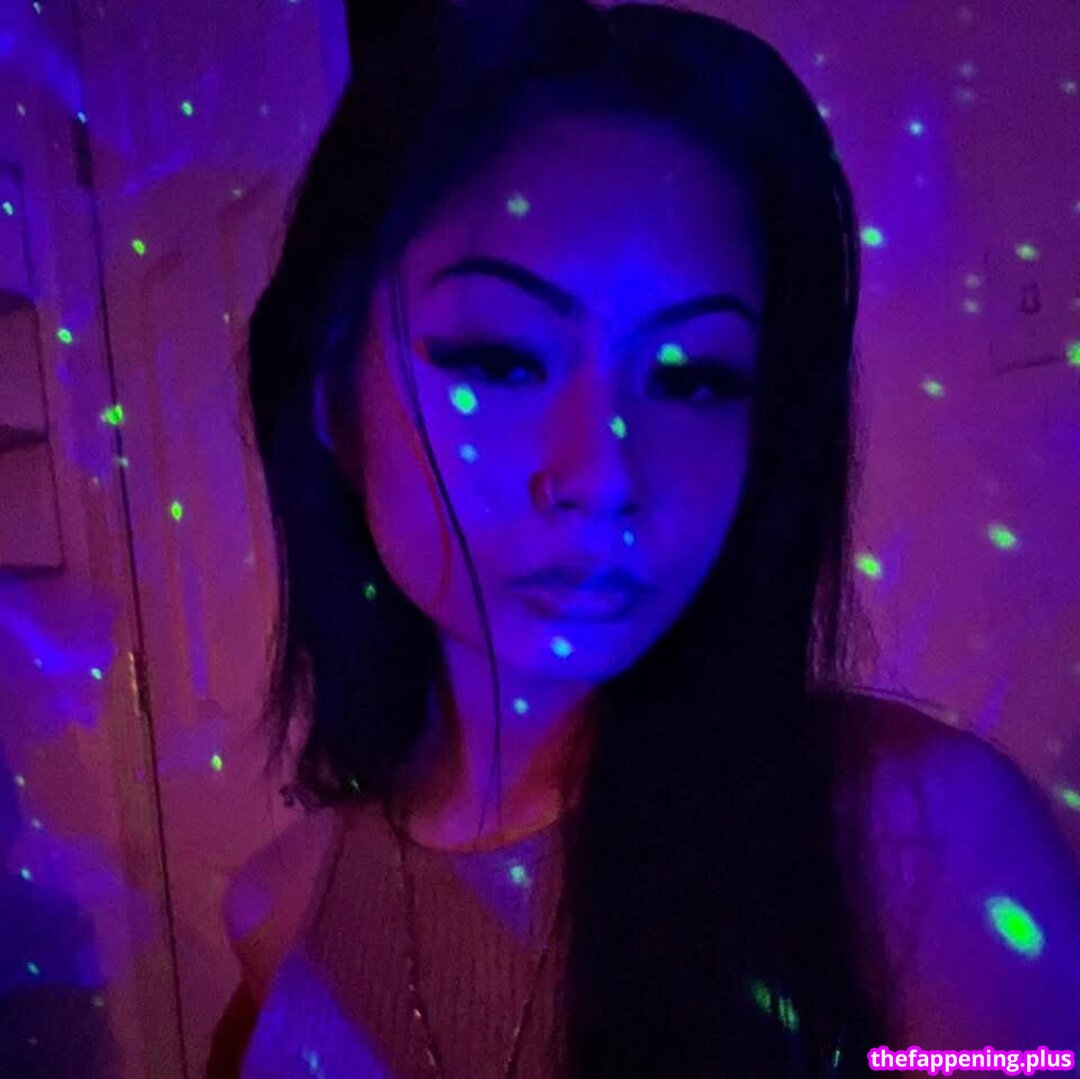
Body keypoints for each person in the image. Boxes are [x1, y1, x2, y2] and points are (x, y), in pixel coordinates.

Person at [207, 2, 1080, 1075]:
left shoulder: (917, 842)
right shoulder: (281, 904)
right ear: (332, 399)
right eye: (500, 358)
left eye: (692, 376)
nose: (606, 477)